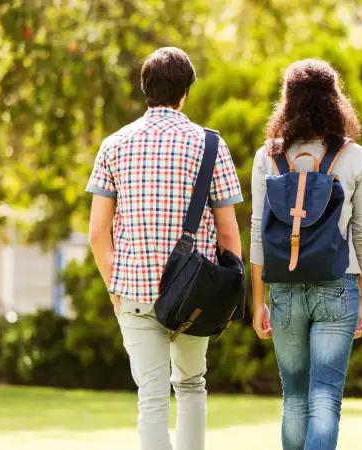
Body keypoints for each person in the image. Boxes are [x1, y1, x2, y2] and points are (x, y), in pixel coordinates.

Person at [86, 47, 243, 450]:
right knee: (191, 385)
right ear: (186, 91)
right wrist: (233, 289)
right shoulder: (209, 145)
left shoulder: (114, 145)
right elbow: (228, 232)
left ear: (145, 89)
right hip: (195, 294)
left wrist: (114, 289)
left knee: (152, 398)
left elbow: (97, 232)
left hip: (134, 292)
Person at [249, 59, 362, 450]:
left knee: (295, 398)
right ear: (334, 101)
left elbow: (257, 232)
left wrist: (258, 302)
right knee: (325, 397)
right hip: (339, 286)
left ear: (288, 102)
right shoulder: (354, 157)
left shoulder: (266, 157)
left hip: (283, 289)